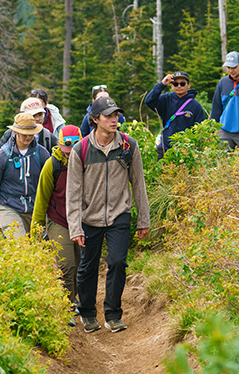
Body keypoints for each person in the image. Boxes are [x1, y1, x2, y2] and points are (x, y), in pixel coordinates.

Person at [66, 96, 150, 334]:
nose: (114, 120)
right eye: (108, 116)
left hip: (119, 214)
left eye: (116, 116)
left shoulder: (128, 145)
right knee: (87, 268)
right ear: (95, 119)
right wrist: (75, 227)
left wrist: (143, 220)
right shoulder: (80, 150)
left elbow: (138, 184)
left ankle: (113, 315)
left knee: (117, 262)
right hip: (88, 217)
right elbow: (73, 193)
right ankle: (89, 313)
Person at [32, 125, 82, 325]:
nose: (69, 151)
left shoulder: (86, 162)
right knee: (66, 265)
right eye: (66, 146)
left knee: (80, 266)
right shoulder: (51, 166)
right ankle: (67, 307)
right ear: (60, 144)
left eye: (74, 146)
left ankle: (74, 298)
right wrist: (36, 231)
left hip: (81, 221)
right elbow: (41, 200)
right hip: (58, 220)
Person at [0, 113, 50, 238]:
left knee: (39, 247)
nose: (28, 137)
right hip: (7, 205)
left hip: (34, 206)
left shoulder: (42, 153)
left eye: (32, 133)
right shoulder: (2, 157)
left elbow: (50, 184)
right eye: (25, 133)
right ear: (16, 132)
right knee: (19, 243)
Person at [145, 70, 206, 159]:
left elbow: (201, 130)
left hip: (185, 151)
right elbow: (149, 101)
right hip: (165, 148)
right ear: (171, 86)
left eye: (182, 83)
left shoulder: (195, 106)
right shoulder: (166, 99)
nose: (179, 86)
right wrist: (162, 84)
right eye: (176, 84)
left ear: (188, 85)